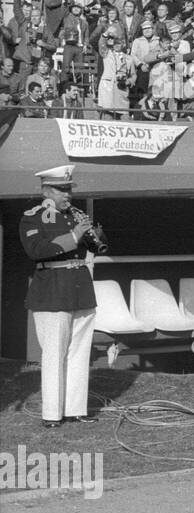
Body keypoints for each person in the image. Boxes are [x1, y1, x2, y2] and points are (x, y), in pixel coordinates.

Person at [19, 165, 102, 428]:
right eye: (62, 189)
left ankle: (75, 409)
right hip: (52, 292)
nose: (68, 194)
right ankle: (52, 414)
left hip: (80, 290)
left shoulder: (75, 215)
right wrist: (75, 235)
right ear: (46, 190)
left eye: (69, 189)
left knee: (79, 353)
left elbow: (90, 247)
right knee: (54, 355)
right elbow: (37, 250)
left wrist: (94, 236)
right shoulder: (32, 218)